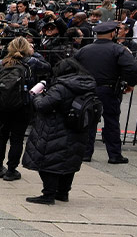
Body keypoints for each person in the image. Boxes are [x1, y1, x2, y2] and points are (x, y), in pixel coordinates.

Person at [21, 58, 98, 204]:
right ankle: (63, 192)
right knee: (69, 162)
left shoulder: (61, 87)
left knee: (48, 161)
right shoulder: (88, 85)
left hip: (56, 128)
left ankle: (48, 194)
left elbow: (43, 105)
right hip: (78, 128)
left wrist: (37, 96)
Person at [74, 20, 137, 163]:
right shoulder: (118, 49)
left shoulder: (84, 50)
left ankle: (85, 153)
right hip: (109, 90)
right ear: (112, 33)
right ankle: (114, 155)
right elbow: (132, 68)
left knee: (88, 121)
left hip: (87, 89)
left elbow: (72, 66)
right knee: (111, 122)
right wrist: (130, 83)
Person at [0, 37, 43, 182]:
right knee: (17, 138)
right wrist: (34, 53)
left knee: (1, 136)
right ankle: (11, 170)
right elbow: (48, 68)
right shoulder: (31, 62)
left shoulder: (0, 63)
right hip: (22, 105)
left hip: (1, 104)